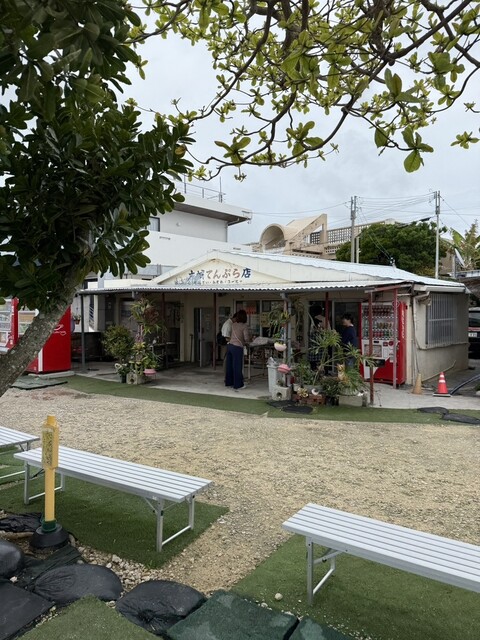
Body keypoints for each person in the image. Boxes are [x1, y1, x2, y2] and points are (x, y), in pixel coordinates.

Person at [225, 309, 250, 390]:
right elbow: (246, 338)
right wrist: (249, 341)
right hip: (237, 347)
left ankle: (229, 382)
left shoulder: (233, 324)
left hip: (230, 346)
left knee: (229, 366)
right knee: (237, 366)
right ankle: (238, 384)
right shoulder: (244, 326)